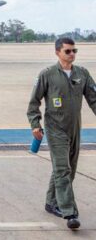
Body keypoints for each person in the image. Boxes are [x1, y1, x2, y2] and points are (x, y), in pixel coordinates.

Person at [27, 38, 96, 230]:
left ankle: (51, 202)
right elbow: (34, 103)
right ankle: (69, 212)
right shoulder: (47, 74)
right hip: (55, 128)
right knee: (62, 169)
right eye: (68, 51)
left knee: (69, 168)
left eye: (74, 50)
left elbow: (94, 99)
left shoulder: (82, 73)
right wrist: (35, 124)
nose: (72, 54)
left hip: (74, 127)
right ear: (57, 52)